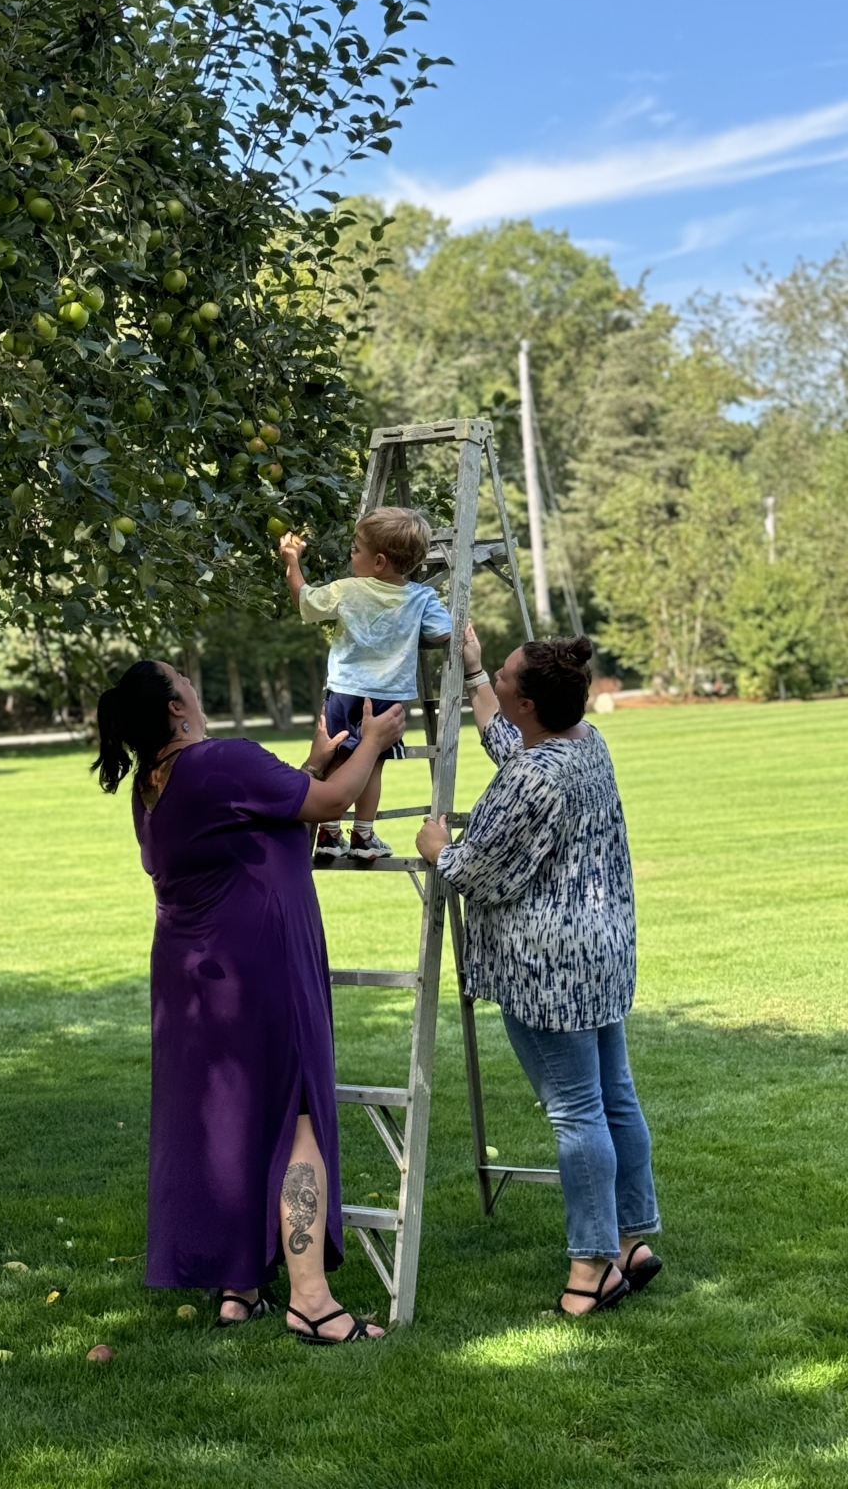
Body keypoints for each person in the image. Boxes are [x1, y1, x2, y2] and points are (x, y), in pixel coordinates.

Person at [93, 659, 407, 1342]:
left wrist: (312, 764)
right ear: (176, 706)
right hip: (259, 966)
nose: (192, 681)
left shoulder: (153, 784)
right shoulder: (222, 760)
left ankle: (240, 1287)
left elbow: (260, 818)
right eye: (182, 676)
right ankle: (312, 1302)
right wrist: (376, 743)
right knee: (296, 1117)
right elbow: (328, 804)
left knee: (232, 1120)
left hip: (192, 978)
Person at [416, 624, 662, 1316]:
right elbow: (514, 749)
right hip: (600, 950)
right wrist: (472, 674)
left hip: (548, 966)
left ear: (526, 703)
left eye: (502, 674)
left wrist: (438, 848)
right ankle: (630, 1241)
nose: (496, 675)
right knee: (614, 1097)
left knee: (576, 1111)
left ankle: (592, 1268)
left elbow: (481, 872)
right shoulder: (585, 744)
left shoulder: (536, 775)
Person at [280, 507, 451, 864]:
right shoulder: (420, 597)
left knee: (337, 756)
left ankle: (329, 833)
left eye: (355, 549)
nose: (351, 555)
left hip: (344, 691)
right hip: (388, 698)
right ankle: (363, 833)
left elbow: (304, 599)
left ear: (379, 562)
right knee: (372, 762)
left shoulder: (347, 590)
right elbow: (441, 633)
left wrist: (292, 560)